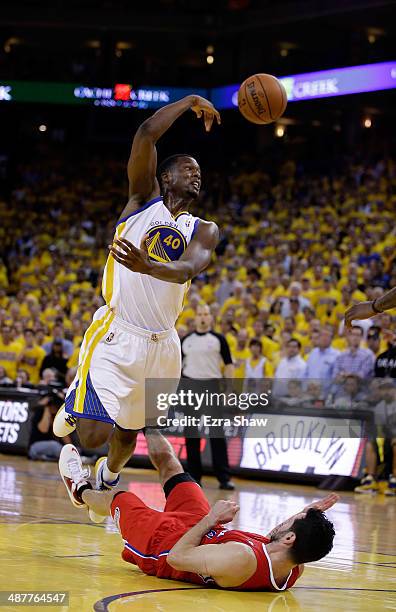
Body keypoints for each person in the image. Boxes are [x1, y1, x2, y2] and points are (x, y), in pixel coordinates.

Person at [54, 95, 221, 511]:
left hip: (164, 345)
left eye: (200, 172)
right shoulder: (140, 202)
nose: (196, 175)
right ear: (165, 177)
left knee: (130, 435)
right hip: (118, 331)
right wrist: (190, 102)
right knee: (92, 437)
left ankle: (103, 482)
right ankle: (79, 396)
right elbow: (146, 132)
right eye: (188, 169)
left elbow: (187, 268)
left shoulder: (205, 228)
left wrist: (147, 265)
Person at [58, 433, 337, 591]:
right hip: (199, 530)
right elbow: (268, 551)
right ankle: (148, 419)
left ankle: (80, 490)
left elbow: (179, 558)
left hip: (165, 547)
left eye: (291, 522)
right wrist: (306, 513)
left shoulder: (240, 560)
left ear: (290, 539)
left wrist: (212, 518)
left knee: (120, 498)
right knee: (172, 467)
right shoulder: (293, 565)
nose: (286, 521)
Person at [181, 303, 235, 490]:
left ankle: (224, 477)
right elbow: (178, 366)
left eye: (206, 314)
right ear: (195, 318)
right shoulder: (186, 340)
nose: (203, 317)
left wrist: (229, 390)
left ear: (211, 318)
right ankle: (194, 477)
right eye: (200, 314)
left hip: (212, 386)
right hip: (190, 386)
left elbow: (228, 364)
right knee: (191, 435)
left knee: (216, 434)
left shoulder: (219, 339)